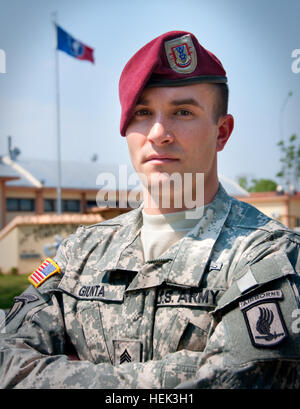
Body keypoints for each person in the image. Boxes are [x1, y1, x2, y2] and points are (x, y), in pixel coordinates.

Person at [1, 30, 300, 389]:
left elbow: (233, 380)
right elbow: (7, 358)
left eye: (183, 112)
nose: (158, 132)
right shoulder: (80, 252)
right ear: (126, 129)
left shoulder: (269, 254)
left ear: (222, 132)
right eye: (143, 112)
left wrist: (55, 371)